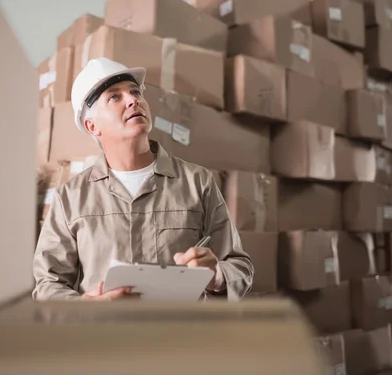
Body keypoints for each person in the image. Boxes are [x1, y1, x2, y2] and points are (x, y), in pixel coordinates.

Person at [32, 57, 253, 301]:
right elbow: (47, 286)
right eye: (115, 97)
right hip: (106, 337)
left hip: (179, 337)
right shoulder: (71, 197)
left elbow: (240, 268)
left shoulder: (197, 182)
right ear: (92, 126)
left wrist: (216, 275)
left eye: (135, 91)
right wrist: (85, 306)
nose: (133, 100)